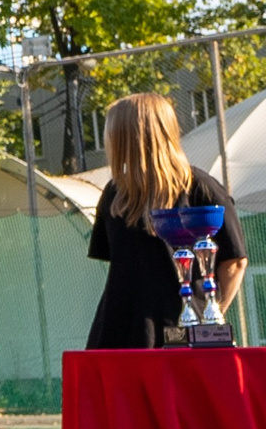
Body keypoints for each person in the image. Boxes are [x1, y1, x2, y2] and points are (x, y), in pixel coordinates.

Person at [85, 92, 248, 348]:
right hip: (119, 336)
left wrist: (210, 317)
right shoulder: (114, 194)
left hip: (182, 337)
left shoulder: (199, 187)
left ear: (128, 137)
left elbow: (235, 261)